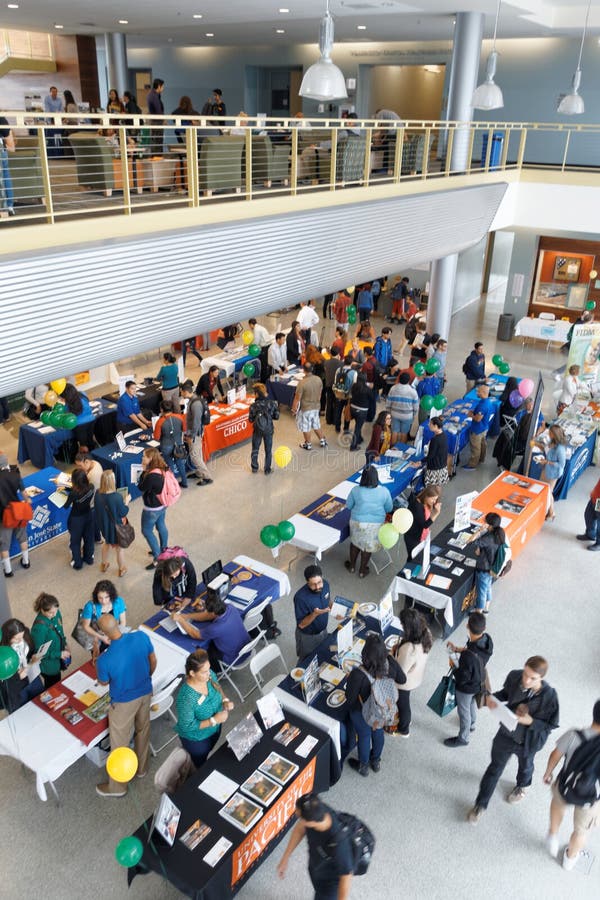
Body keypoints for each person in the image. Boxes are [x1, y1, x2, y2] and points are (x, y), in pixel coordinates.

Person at [468, 656, 559, 824]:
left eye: (533, 678)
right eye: (525, 674)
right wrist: (492, 700)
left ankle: (522, 786)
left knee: (526, 767)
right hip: (506, 735)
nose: (526, 680)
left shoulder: (550, 697)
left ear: (541, 678)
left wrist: (530, 722)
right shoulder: (515, 677)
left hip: (528, 742)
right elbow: (506, 694)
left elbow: (550, 725)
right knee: (494, 769)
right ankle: (480, 805)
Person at [95, 614, 156, 797]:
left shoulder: (105, 659)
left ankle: (118, 787)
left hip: (123, 703)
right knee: (143, 729)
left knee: (119, 743)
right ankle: (142, 768)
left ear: (103, 634)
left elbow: (103, 682)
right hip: (145, 692)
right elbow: (153, 661)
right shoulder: (140, 636)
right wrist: (145, 678)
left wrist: (97, 659)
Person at [543, 698, 600, 869]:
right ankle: (570, 859)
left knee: (558, 804)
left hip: (565, 785)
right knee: (582, 830)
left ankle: (553, 836)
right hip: (591, 797)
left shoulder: (574, 735)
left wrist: (548, 772)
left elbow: (555, 755)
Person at [344, 633, 406, 776]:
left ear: (365, 653)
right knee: (378, 732)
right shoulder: (390, 663)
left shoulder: (358, 674)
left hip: (362, 712)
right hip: (383, 709)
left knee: (364, 736)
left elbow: (350, 699)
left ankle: (363, 766)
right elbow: (402, 679)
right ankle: (376, 761)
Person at [277, 793, 354, 899]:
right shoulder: (318, 810)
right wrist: (285, 857)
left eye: (299, 817)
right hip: (316, 867)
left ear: (310, 823)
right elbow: (300, 830)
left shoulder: (339, 845)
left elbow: (346, 879)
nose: (297, 818)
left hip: (329, 885)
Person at [175, 649, 234, 767]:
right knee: (200, 765)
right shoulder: (186, 697)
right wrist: (214, 720)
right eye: (204, 672)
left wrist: (225, 700)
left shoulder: (209, 675)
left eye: (209, 669)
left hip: (215, 728)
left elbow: (217, 687)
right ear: (192, 673)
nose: (209, 673)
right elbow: (187, 726)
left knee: (210, 751)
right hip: (197, 740)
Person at [445, 612, 494, 747]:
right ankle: (472, 724)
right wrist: (458, 649)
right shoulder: (488, 640)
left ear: (467, 625)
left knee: (463, 710)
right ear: (483, 628)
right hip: (480, 681)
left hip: (467, 687)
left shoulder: (468, 657)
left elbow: (462, 678)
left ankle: (463, 738)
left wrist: (453, 665)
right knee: (472, 703)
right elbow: (472, 650)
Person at [171, 593, 250, 672]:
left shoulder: (215, 628)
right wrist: (188, 616)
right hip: (247, 649)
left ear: (213, 612)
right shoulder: (230, 607)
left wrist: (180, 620)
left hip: (235, 658)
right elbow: (209, 615)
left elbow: (195, 634)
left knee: (203, 651)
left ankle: (218, 671)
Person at [345, 465, 393, 577]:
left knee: (355, 543)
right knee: (368, 546)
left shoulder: (355, 490)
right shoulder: (384, 491)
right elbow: (389, 508)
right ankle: (362, 570)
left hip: (357, 522)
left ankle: (352, 566)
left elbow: (348, 505)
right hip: (375, 525)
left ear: (363, 478)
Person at [393, 608, 432, 737]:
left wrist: (390, 657)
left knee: (403, 704)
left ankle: (404, 729)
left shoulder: (410, 649)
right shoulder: (425, 632)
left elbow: (399, 672)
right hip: (416, 674)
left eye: (403, 624)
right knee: (405, 700)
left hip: (406, 682)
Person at [0, 618, 44, 709]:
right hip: (17, 688)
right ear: (7, 637)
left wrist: (33, 657)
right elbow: (4, 684)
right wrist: (18, 676)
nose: (20, 641)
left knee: (42, 703)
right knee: (23, 711)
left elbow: (30, 649)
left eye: (22, 637)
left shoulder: (26, 634)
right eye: (17, 639)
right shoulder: (3, 652)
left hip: (32, 678)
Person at [0, 453, 30, 577]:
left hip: (4, 514)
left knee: (4, 545)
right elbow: (24, 492)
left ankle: (8, 571)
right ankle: (26, 561)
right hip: (18, 511)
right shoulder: (15, 474)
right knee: (22, 537)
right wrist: (27, 500)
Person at [95, 470, 129, 576]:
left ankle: (104, 564)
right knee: (119, 549)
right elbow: (123, 512)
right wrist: (127, 502)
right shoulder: (117, 497)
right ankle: (121, 568)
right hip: (115, 528)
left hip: (104, 526)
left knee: (107, 543)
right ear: (111, 481)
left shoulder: (97, 493)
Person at [31, 593, 70, 688]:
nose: (55, 614)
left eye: (56, 611)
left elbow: (60, 630)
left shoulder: (56, 613)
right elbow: (39, 652)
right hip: (49, 665)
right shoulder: (39, 628)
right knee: (53, 686)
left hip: (59, 654)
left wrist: (65, 643)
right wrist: (59, 654)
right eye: (51, 613)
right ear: (42, 610)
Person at [138, 448, 169, 569]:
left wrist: (143, 472)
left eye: (144, 457)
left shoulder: (151, 476)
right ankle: (164, 549)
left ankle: (158, 558)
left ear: (150, 459)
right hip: (163, 503)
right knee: (161, 525)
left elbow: (141, 487)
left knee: (146, 531)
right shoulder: (162, 467)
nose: (142, 459)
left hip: (152, 508)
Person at [470, 512, 505, 613]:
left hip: (484, 568)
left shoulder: (488, 538)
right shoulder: (499, 533)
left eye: (485, 521)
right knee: (488, 587)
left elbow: (471, 541)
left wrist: (480, 530)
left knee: (481, 592)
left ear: (489, 525)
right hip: (492, 568)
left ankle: (478, 612)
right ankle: (486, 608)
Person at [293, 564, 331, 660]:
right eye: (313, 584)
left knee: (322, 654)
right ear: (307, 582)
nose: (318, 586)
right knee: (306, 660)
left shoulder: (325, 585)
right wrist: (315, 614)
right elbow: (301, 625)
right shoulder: (300, 598)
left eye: (319, 582)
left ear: (322, 578)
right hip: (308, 637)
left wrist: (336, 609)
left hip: (323, 631)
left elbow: (328, 600)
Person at [81, 580, 127, 656]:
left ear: (111, 595)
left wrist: (116, 636)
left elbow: (123, 622)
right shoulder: (90, 606)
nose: (104, 601)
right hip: (97, 637)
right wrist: (102, 637)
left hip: (115, 633)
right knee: (100, 658)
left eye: (106, 597)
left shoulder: (119, 601)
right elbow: (85, 626)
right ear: (96, 596)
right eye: (100, 598)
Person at [180, 380, 213, 486]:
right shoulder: (192, 400)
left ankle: (207, 477)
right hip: (194, 432)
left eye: (182, 392)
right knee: (197, 453)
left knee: (195, 456)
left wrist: (191, 436)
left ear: (185, 392)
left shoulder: (196, 404)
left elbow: (196, 423)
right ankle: (199, 473)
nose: (181, 394)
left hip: (195, 434)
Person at [533, 424, 567, 521]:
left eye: (550, 432)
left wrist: (547, 462)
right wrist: (538, 445)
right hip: (546, 469)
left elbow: (561, 464)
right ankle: (550, 512)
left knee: (548, 491)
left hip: (553, 473)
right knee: (545, 490)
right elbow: (545, 449)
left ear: (554, 434)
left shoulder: (560, 449)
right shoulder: (551, 441)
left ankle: (551, 512)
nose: (548, 433)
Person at [292, 362, 327, 451]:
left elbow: (297, 398)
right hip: (316, 407)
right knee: (316, 424)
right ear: (312, 369)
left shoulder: (302, 383)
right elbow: (320, 394)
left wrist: (294, 408)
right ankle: (322, 440)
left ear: (303, 370)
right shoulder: (318, 379)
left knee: (306, 427)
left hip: (306, 408)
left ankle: (308, 444)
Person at [65, 467, 95, 570]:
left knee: (75, 541)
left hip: (76, 519)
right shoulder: (91, 487)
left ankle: (77, 563)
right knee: (89, 538)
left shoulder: (74, 494)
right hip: (88, 515)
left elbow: (66, 506)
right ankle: (89, 558)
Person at [154, 399, 188, 488]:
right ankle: (184, 482)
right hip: (178, 444)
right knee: (180, 464)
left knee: (169, 466)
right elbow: (184, 429)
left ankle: (172, 485)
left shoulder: (160, 422)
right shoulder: (179, 417)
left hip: (166, 446)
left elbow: (156, 437)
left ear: (161, 409)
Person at [404, 486, 441, 561]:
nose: (434, 501)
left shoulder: (425, 502)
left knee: (419, 557)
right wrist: (436, 513)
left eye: (436, 499)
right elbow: (425, 525)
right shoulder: (417, 506)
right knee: (413, 558)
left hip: (421, 535)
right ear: (427, 495)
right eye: (433, 499)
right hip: (413, 537)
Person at [248, 383, 279, 474]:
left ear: (257, 394)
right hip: (269, 429)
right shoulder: (272, 403)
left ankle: (254, 468)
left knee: (255, 448)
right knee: (268, 450)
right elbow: (276, 417)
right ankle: (267, 469)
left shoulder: (253, 406)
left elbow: (250, 419)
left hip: (257, 429)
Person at [463, 384, 494, 470]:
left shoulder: (483, 405)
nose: (477, 392)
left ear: (483, 392)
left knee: (475, 447)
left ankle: (472, 464)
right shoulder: (487, 401)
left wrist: (470, 415)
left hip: (477, 430)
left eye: (478, 391)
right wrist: (475, 411)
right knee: (483, 444)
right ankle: (481, 458)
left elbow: (478, 418)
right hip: (484, 428)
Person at [386, 372, 418, 443]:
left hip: (394, 414)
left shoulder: (393, 388)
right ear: (409, 380)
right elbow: (415, 407)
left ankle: (392, 448)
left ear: (399, 379)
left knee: (394, 431)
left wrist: (389, 412)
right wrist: (413, 415)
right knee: (404, 433)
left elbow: (388, 402)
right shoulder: (413, 391)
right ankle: (401, 449)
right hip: (407, 416)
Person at [348, 372, 372, 451]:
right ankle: (353, 446)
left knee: (358, 425)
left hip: (352, 408)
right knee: (358, 427)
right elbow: (371, 399)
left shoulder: (354, 386)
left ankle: (360, 438)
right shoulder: (367, 389)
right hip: (362, 411)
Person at [576, 474, 600, 550]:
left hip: (599, 501)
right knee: (588, 515)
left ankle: (599, 543)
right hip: (595, 496)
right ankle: (590, 535)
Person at [424, 416, 449, 488]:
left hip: (434, 469)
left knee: (432, 489)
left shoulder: (435, 440)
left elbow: (431, 456)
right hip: (442, 466)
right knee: (438, 487)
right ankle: (437, 499)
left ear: (435, 426)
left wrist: (420, 462)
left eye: (430, 424)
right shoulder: (444, 434)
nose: (429, 425)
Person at [0, 115, 15, 216]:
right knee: (5, 175)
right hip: (2, 150)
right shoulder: (1, 118)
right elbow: (11, 145)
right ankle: (9, 206)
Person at [146, 77, 165, 155]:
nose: (163, 88)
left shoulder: (151, 95)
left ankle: (156, 157)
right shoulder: (154, 96)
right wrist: (163, 120)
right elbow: (158, 110)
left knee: (155, 141)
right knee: (157, 142)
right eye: (162, 86)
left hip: (154, 122)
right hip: (157, 122)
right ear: (159, 86)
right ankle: (157, 159)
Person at [323, 346, 341, 425]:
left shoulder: (326, 362)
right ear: (338, 354)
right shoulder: (341, 363)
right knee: (337, 404)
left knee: (329, 402)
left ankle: (328, 419)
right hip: (337, 386)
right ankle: (334, 420)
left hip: (328, 384)